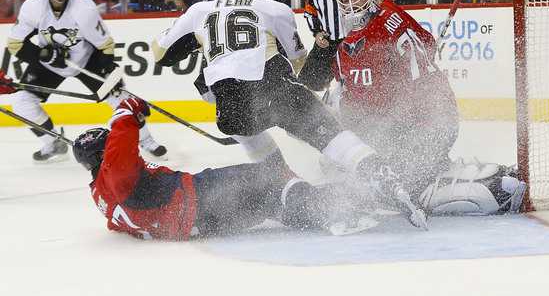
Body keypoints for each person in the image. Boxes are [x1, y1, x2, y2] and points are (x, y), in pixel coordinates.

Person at [152, 0, 427, 229]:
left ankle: (291, 191)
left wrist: (196, 37)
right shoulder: (272, 7)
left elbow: (160, 53)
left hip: (228, 106)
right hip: (273, 87)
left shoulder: (198, 11)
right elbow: (297, 60)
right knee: (331, 135)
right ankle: (382, 176)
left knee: (244, 129)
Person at [328, 0, 527, 214]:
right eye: (345, 1)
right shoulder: (390, 8)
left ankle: (472, 190)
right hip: (445, 118)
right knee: (421, 162)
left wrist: (343, 114)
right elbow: (428, 43)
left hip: (415, 132)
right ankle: (441, 170)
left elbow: (374, 105)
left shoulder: (363, 43)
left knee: (390, 187)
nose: (351, 7)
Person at [70, 97, 379, 239]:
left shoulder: (101, 195)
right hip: (198, 197)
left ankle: (343, 206)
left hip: (201, 226)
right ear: (102, 156)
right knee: (272, 175)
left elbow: (119, 223)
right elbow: (119, 154)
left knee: (270, 201)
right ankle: (337, 209)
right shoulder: (114, 174)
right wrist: (125, 112)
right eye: (108, 144)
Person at [6, 0, 166, 162]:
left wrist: (109, 69)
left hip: (85, 60)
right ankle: (52, 142)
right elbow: (14, 43)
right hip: (50, 65)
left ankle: (146, 139)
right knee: (22, 102)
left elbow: (105, 44)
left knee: (120, 96)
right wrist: (44, 55)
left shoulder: (83, 6)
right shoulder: (33, 6)